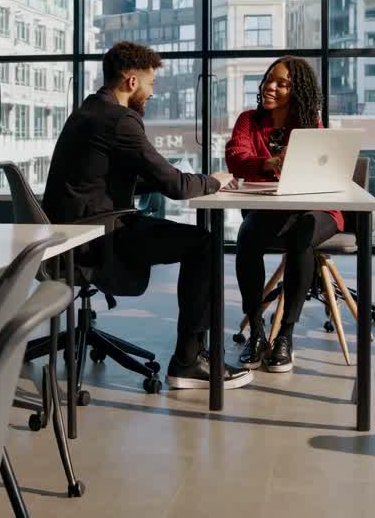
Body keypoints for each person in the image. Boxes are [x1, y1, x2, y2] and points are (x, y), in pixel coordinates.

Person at [43, 41, 252, 390]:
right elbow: (176, 186)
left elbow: (104, 180)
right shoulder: (120, 119)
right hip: (97, 238)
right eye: (151, 84)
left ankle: (191, 357)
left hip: (75, 233)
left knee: (196, 241)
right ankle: (188, 361)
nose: (152, 93)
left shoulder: (88, 110)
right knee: (204, 244)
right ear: (131, 82)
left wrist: (161, 181)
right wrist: (213, 181)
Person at [225, 56, 343, 372]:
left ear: (297, 91)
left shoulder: (308, 125)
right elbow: (236, 159)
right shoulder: (248, 121)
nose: (271, 87)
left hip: (316, 211)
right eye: (269, 79)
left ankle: (286, 337)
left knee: (301, 235)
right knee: (247, 236)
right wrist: (269, 164)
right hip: (272, 210)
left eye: (282, 83)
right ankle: (258, 333)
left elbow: (322, 169)